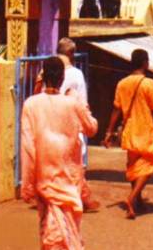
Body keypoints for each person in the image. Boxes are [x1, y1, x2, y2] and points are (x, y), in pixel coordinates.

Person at [21, 56, 99, 249]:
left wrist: (27, 185)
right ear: (62, 78)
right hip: (68, 180)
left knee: (52, 235)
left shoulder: (31, 104)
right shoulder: (72, 104)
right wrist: (80, 103)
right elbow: (92, 128)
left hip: (44, 179)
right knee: (63, 234)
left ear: (43, 75)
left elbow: (28, 148)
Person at [103, 48, 153, 219]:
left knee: (133, 166)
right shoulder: (149, 84)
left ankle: (137, 200)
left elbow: (116, 109)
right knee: (151, 164)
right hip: (145, 129)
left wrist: (109, 131)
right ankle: (131, 198)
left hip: (129, 129)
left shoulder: (122, 83)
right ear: (145, 63)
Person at [57, 37, 97, 211]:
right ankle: (76, 199)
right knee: (76, 163)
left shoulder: (49, 69)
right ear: (71, 53)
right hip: (72, 123)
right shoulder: (76, 74)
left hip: (53, 122)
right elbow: (83, 102)